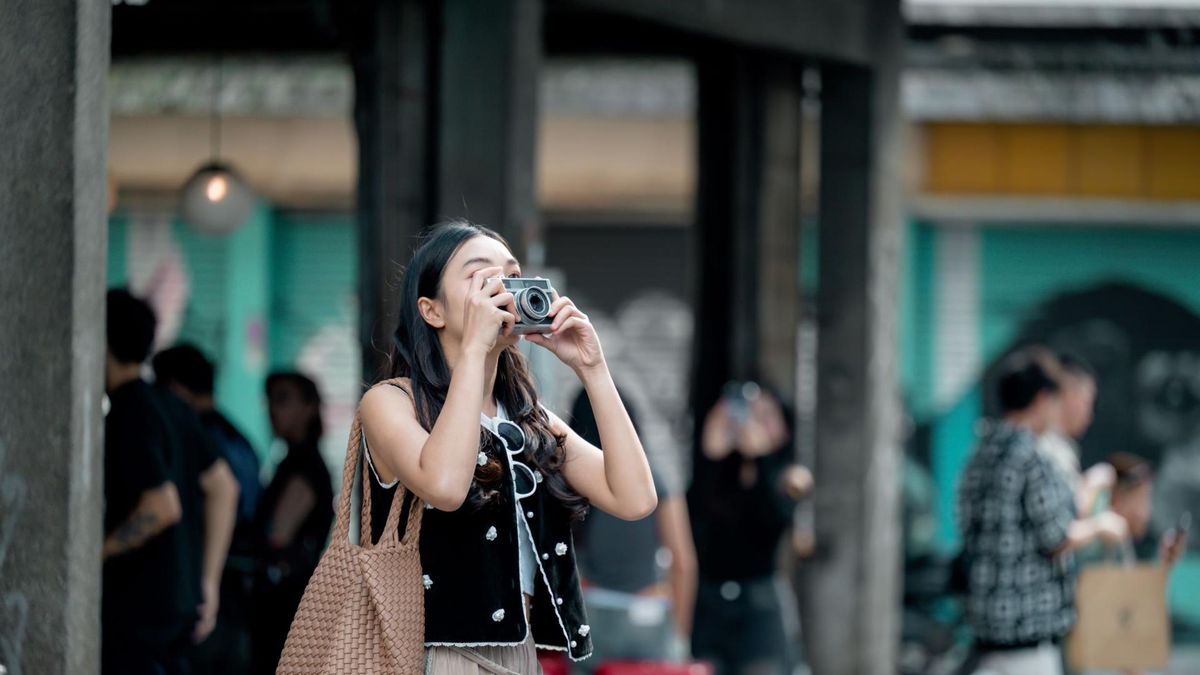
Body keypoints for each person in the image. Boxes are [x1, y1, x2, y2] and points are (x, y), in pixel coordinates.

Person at [358, 221, 658, 672]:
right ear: (432, 311)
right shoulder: (390, 403)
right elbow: (444, 485)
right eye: (481, 276)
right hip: (429, 655)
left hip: (522, 654)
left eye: (512, 274)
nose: (502, 288)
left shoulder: (529, 420)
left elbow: (635, 498)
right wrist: (475, 352)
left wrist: (593, 369)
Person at [958, 348, 1128, 675]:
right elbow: (1056, 537)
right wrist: (1102, 524)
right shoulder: (1032, 458)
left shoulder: (978, 454)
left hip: (984, 630)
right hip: (1027, 639)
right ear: (1041, 399)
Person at [102, 289, 240, 675]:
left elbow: (161, 506)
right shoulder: (170, 405)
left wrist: (95, 554)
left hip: (138, 611)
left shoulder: (129, 412)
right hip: (178, 607)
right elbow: (223, 487)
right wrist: (208, 585)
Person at [568, 387, 698, 673]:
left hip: (590, 612)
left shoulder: (571, 478)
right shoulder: (653, 479)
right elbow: (682, 561)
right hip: (646, 612)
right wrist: (681, 634)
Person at [689, 381, 813, 675]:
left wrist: (761, 457)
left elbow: (772, 521)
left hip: (761, 605)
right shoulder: (724, 469)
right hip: (710, 602)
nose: (754, 422)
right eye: (751, 413)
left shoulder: (792, 474)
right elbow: (695, 518)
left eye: (767, 415)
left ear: (785, 427)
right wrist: (709, 456)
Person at [153, 344, 261, 674]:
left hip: (206, 585)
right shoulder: (239, 440)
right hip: (238, 591)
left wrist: (207, 581)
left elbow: (224, 494)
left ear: (172, 389)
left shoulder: (194, 437)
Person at [251, 372, 335, 675]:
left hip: (285, 604)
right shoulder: (292, 461)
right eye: (271, 400)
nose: (274, 408)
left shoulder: (306, 466)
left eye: (284, 399)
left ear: (310, 407)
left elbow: (277, 535)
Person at [1037, 351, 1114, 517]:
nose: (1090, 415)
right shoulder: (1048, 448)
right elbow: (1064, 520)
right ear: (1068, 395)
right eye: (1088, 402)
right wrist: (1093, 482)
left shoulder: (1056, 445)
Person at [1104, 452, 1189, 568]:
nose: (1148, 510)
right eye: (1142, 499)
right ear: (1119, 499)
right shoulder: (1099, 542)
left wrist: (1164, 564)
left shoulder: (1123, 544)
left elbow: (1128, 585)